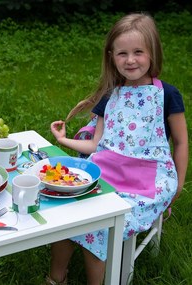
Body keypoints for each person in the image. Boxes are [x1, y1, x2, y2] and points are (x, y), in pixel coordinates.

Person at [48, 12, 188, 285]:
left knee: (99, 225)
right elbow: (95, 144)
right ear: (111, 56)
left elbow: (181, 142)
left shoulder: (167, 95)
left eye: (138, 52)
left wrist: (178, 184)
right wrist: (63, 140)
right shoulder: (110, 95)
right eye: (122, 53)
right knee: (64, 211)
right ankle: (56, 278)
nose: (130, 60)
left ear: (153, 53)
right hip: (107, 172)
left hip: (150, 182)